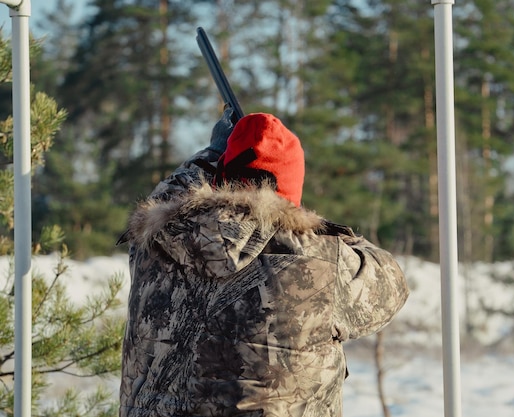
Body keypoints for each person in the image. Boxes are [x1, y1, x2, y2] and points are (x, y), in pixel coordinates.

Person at [118, 109, 409, 417]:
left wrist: (208, 155)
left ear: (218, 178)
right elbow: (391, 282)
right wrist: (317, 229)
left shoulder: (155, 241)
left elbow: (166, 197)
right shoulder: (321, 262)